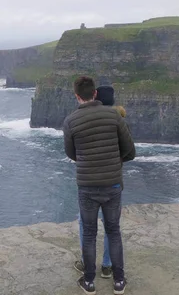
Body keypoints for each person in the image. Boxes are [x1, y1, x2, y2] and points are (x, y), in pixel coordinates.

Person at [63, 77, 136, 295]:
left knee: (89, 234)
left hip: (87, 186)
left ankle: (89, 283)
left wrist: (89, 160)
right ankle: (119, 281)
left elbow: (71, 153)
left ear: (77, 96)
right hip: (112, 185)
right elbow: (130, 150)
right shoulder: (114, 115)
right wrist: (114, 160)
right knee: (113, 231)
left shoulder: (70, 121)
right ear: (94, 93)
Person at [74, 86, 120, 279]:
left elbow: (73, 150)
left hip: (90, 183)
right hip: (113, 181)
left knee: (85, 225)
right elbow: (128, 150)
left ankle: (87, 265)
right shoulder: (118, 120)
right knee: (112, 226)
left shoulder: (87, 121)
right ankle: (108, 266)